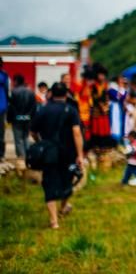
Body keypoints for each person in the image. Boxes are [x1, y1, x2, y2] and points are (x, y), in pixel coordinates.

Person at [30, 83, 84, 229]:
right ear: (66, 95)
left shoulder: (43, 110)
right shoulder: (71, 110)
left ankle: (54, 221)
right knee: (68, 180)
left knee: (49, 184)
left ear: (51, 94)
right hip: (68, 153)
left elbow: (33, 131)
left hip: (49, 154)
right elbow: (77, 133)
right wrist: (80, 154)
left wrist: (41, 143)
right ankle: (64, 206)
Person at [8, 74, 36, 160]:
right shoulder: (31, 92)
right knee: (25, 137)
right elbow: (33, 106)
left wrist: (9, 118)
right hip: (27, 118)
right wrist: (31, 117)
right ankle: (28, 155)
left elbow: (11, 107)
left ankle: (21, 157)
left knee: (18, 139)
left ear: (16, 81)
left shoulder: (14, 92)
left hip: (17, 118)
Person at [0, 57, 9, 161]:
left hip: (2, 106)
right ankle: (1, 154)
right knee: (1, 133)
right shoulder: (4, 75)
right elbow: (7, 91)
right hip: (2, 106)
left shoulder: (4, 75)